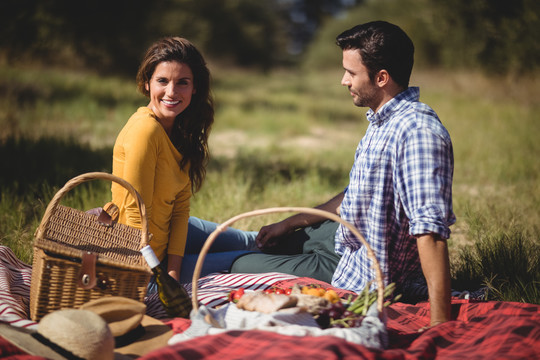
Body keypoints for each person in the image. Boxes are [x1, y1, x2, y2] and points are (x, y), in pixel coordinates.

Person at [230, 21, 455, 327]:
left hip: (353, 270)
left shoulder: (417, 133)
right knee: (242, 240)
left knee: (238, 264)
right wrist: (290, 222)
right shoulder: (382, 121)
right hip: (336, 235)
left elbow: (430, 231)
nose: (343, 80)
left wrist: (439, 326)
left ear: (381, 78)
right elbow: (357, 193)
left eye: (351, 73)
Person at [111, 37, 257, 288]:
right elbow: (136, 214)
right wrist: (164, 273)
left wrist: (176, 269)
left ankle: (319, 241)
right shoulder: (144, 131)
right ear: (146, 84)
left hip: (174, 231)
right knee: (248, 259)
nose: (171, 92)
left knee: (253, 241)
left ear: (195, 87)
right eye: (162, 81)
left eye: (182, 83)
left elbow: (180, 209)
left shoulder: (180, 130)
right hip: (143, 259)